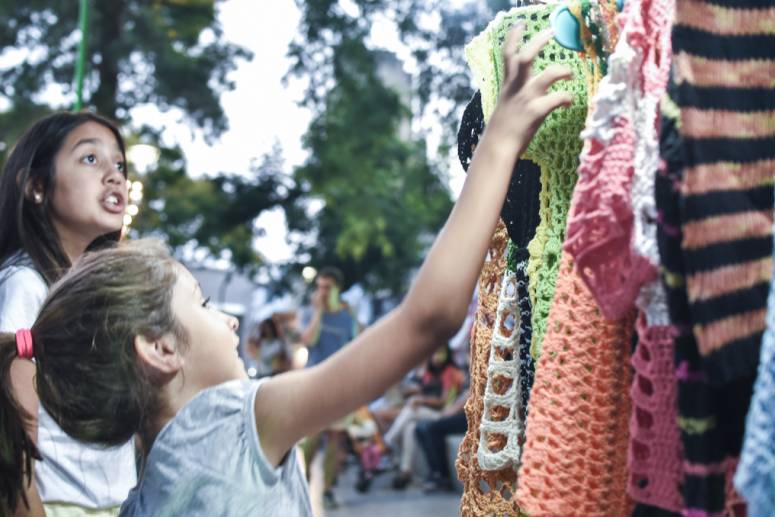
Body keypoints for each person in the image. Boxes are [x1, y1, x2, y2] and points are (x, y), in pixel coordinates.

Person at [0, 25, 572, 516]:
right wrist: (498, 142)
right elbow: (427, 320)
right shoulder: (231, 423)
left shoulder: (143, 492)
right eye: (200, 306)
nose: (226, 325)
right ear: (158, 350)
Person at [0, 112, 137, 516]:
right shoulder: (25, 284)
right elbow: (12, 441)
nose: (115, 176)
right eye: (90, 159)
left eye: (120, 164)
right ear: (37, 187)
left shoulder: (100, 292)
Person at [298, 266, 360, 508]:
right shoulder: (311, 312)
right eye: (319, 287)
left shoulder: (348, 318)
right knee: (311, 435)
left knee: (334, 438)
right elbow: (308, 340)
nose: (322, 292)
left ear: (338, 289)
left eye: (327, 287)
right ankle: (304, 479)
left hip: (340, 384)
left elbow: (357, 347)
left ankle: (327, 489)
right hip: (314, 381)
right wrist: (319, 311)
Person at [384, 343, 464, 489]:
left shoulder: (450, 371)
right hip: (427, 410)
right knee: (410, 428)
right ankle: (405, 471)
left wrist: (419, 399)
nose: (436, 356)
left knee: (410, 411)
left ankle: (387, 442)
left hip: (441, 411)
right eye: (434, 352)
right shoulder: (429, 372)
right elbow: (424, 389)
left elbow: (443, 400)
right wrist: (413, 393)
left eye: (440, 352)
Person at [415, 387, 471, 492]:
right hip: (461, 410)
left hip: (474, 414)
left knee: (433, 429)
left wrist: (447, 414)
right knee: (420, 428)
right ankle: (434, 472)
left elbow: (470, 396)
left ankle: (441, 475)